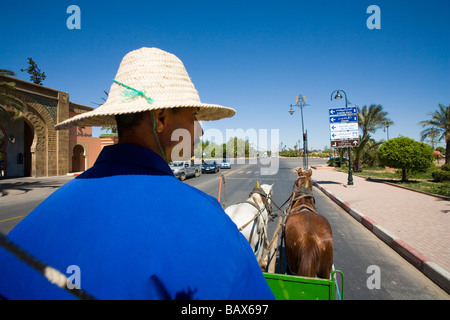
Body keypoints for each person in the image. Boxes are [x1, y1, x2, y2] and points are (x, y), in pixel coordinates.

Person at [0, 47, 275, 300]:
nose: (199, 130)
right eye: (193, 117)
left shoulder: (27, 229)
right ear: (161, 119)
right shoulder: (207, 221)